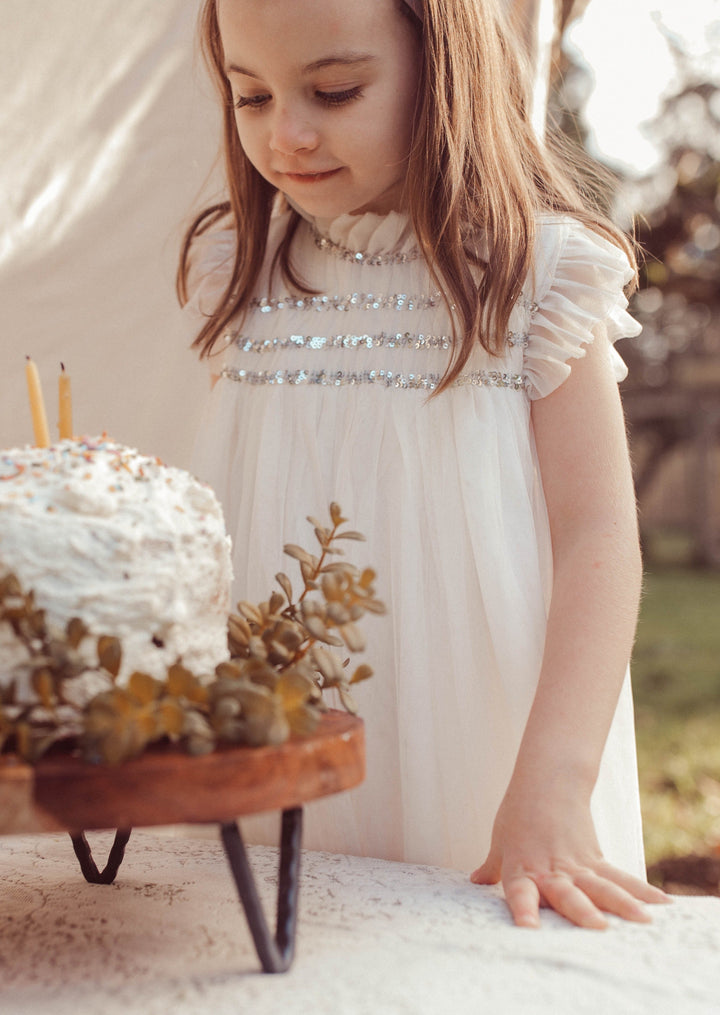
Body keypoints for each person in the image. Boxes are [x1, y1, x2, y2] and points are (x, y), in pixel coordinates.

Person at [178, 0, 670, 929]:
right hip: (273, 750)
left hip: (485, 758)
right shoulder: (239, 272)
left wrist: (555, 784)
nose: (286, 133)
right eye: (248, 96)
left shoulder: (535, 275)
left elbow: (598, 535)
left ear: (442, 64)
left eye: (335, 90)